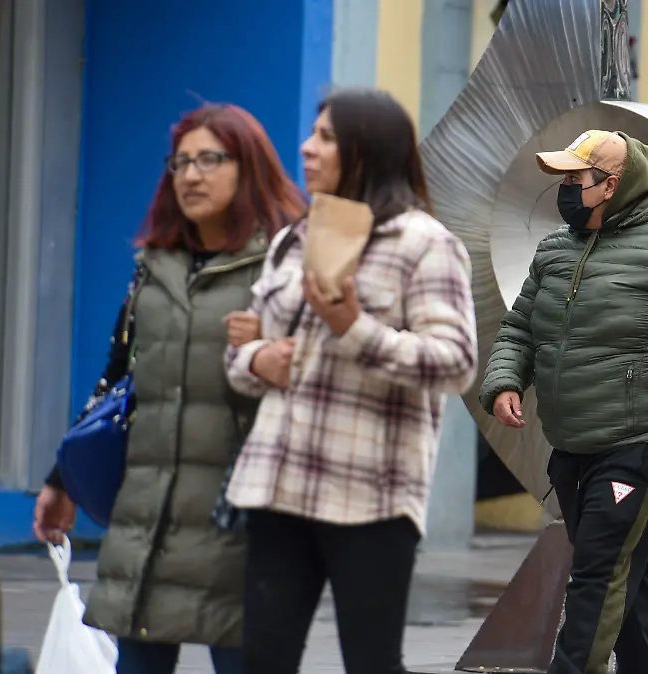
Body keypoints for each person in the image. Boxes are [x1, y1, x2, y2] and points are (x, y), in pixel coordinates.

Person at [32, 103, 307, 674]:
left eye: (210, 160)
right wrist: (63, 478)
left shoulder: (283, 265)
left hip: (240, 521)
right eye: (180, 162)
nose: (191, 176)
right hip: (148, 518)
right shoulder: (155, 266)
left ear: (248, 167)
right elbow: (117, 376)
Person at [479, 129, 648, 674]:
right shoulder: (554, 250)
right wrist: (505, 380)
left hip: (642, 442)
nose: (564, 189)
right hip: (572, 443)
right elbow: (520, 328)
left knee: (598, 572)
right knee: (621, 566)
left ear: (610, 185)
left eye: (575, 179)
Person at [222, 88, 477, 674]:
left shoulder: (425, 244)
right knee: (260, 662)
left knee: (371, 663)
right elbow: (242, 350)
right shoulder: (292, 239)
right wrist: (257, 360)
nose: (306, 149)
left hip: (371, 497)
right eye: (312, 134)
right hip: (276, 485)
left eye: (327, 138)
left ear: (368, 150)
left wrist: (354, 329)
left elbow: (457, 362)